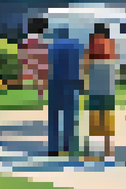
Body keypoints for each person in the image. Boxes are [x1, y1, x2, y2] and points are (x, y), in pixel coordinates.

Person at [84, 23, 119, 163]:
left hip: (95, 87)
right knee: (107, 118)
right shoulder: (111, 45)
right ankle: (108, 149)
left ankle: (93, 150)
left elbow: (86, 65)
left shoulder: (91, 45)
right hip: (108, 88)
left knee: (94, 118)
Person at [46, 25, 84, 158]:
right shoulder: (76, 45)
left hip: (55, 82)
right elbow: (80, 65)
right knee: (69, 116)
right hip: (70, 82)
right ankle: (68, 146)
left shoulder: (52, 46)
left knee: (53, 118)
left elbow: (49, 65)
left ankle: (53, 148)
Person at [19, 17, 50, 103]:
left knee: (38, 80)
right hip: (41, 62)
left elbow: (23, 53)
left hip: (33, 62)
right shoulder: (43, 39)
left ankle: (40, 96)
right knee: (42, 80)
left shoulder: (28, 39)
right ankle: (41, 96)